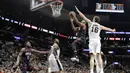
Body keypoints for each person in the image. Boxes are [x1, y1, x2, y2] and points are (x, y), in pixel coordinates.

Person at [75, 6, 116, 73]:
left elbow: (83, 16)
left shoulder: (90, 23)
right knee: (99, 56)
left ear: (94, 19)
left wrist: (78, 11)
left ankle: (91, 71)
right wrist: (112, 30)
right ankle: (102, 71)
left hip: (92, 41)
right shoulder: (100, 26)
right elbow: (107, 28)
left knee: (92, 57)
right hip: (97, 41)